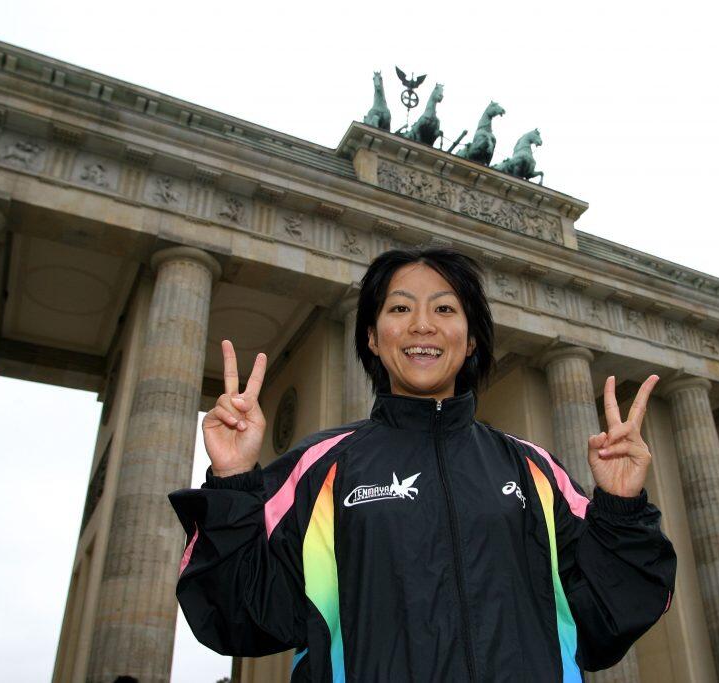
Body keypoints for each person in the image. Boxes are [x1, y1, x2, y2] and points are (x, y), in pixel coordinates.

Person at [169, 247, 676, 682]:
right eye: (400, 307)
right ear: (372, 337)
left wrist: (620, 506)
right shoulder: (320, 468)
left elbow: (609, 614)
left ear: (471, 339)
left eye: (445, 308)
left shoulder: (534, 470)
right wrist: (232, 481)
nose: (422, 325)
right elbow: (239, 615)